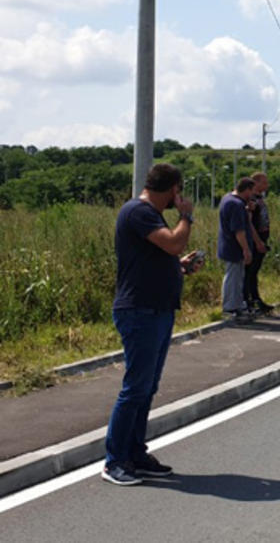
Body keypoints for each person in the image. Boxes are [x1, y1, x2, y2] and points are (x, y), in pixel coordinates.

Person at [103, 163, 203, 486]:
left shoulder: (151, 215)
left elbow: (163, 253)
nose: (181, 197)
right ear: (173, 190)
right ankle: (114, 461)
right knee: (135, 389)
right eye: (180, 191)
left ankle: (134, 453)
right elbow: (174, 243)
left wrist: (179, 266)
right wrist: (186, 217)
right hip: (139, 311)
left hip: (157, 310)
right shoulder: (139, 211)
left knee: (147, 388)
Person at [218, 177, 255, 322]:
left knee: (237, 277)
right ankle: (229, 307)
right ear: (247, 190)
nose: (252, 195)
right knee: (233, 278)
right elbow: (239, 230)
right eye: (251, 191)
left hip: (228, 245)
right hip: (234, 247)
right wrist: (246, 249)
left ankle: (237, 305)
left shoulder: (227, 199)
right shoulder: (236, 205)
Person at [243, 172, 272, 314]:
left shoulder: (260, 198)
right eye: (264, 182)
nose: (267, 185)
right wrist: (258, 241)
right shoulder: (252, 200)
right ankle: (248, 300)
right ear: (256, 183)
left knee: (254, 272)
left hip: (261, 239)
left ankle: (255, 298)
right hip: (255, 241)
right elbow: (249, 223)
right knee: (249, 272)